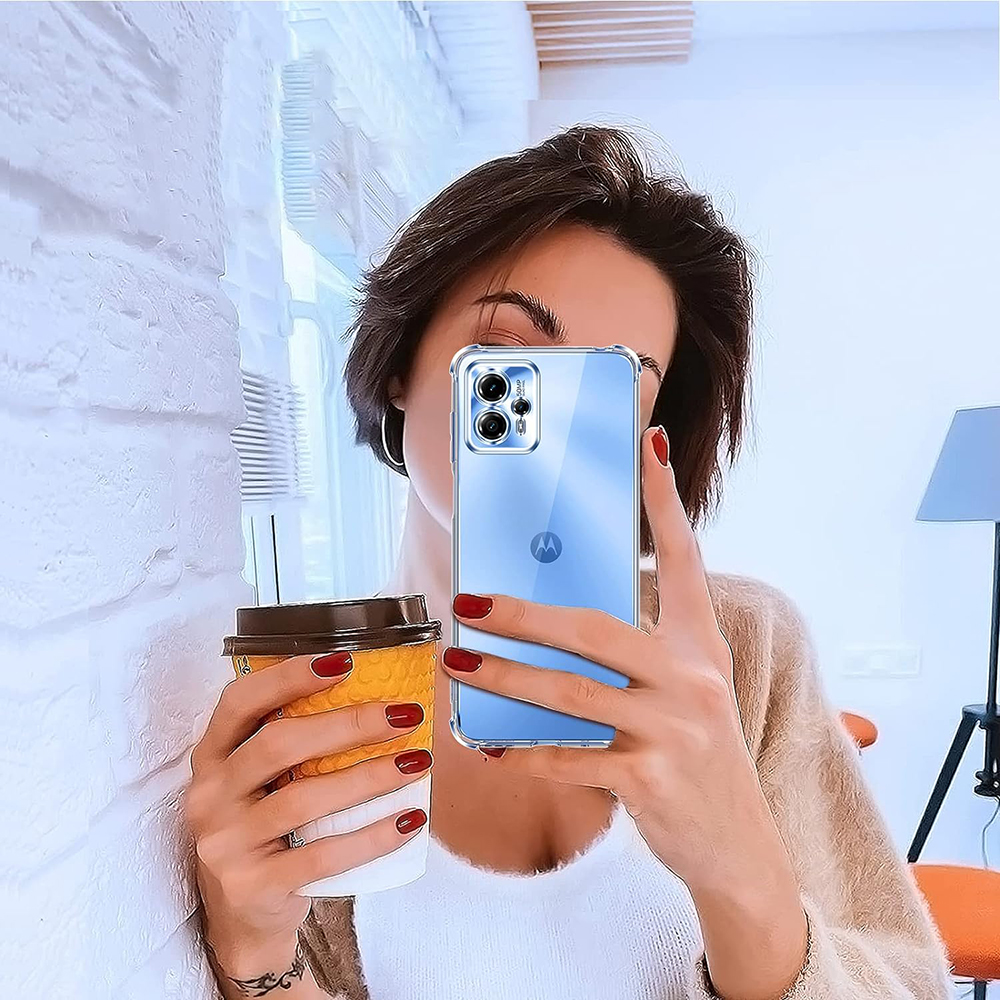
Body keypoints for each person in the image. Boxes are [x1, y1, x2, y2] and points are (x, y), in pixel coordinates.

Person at [186, 125, 952, 1000]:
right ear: (402, 364)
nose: (551, 428)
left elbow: (909, 982)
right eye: (510, 363)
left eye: (610, 388)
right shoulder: (326, 691)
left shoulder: (744, 650)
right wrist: (257, 960)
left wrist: (741, 868)